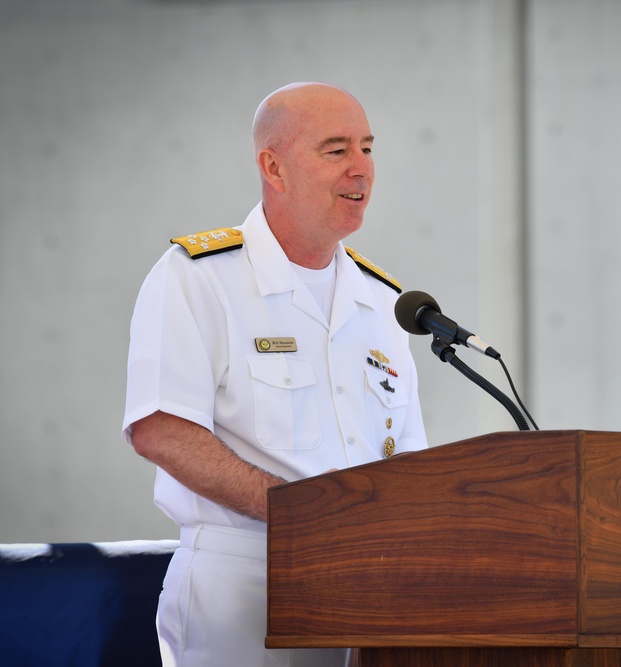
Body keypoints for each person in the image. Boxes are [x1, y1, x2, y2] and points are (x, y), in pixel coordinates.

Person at [122, 82, 428, 667]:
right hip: (244, 586)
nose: (361, 168)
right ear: (274, 167)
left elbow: (409, 462)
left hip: (369, 592)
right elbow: (160, 429)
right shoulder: (199, 276)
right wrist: (307, 517)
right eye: (336, 151)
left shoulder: (385, 300)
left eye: (368, 148)